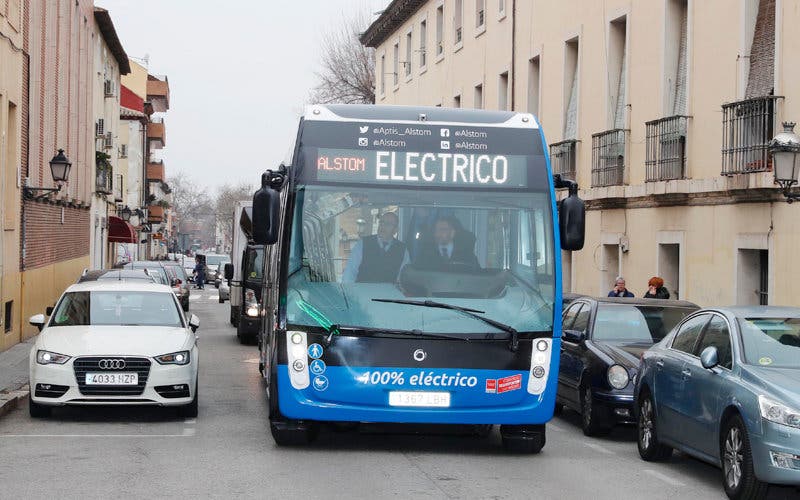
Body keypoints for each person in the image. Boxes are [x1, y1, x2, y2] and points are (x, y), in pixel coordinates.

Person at [342, 212, 410, 283]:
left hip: (388, 292)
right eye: (381, 222)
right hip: (363, 291)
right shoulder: (363, 244)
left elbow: (403, 278)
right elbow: (350, 272)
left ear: (396, 229)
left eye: (388, 224)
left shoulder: (403, 250)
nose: (382, 226)